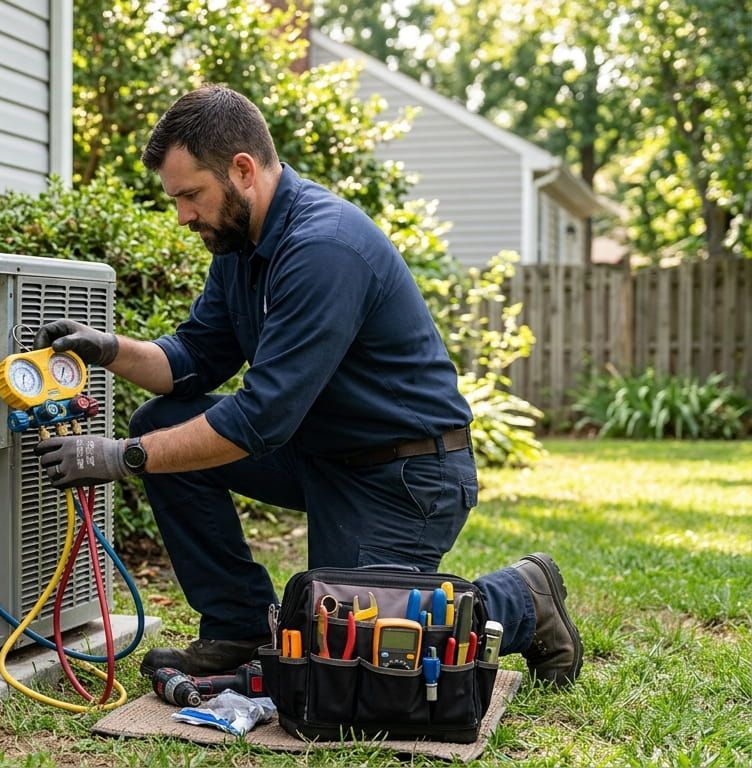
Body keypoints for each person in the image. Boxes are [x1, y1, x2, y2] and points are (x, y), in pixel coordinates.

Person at [32, 85, 582, 688]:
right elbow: (194, 356)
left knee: (345, 654)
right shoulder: (240, 247)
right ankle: (237, 628)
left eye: (191, 195)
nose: (184, 215)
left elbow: (260, 419)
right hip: (323, 457)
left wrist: (122, 457)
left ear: (242, 170)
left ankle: (525, 598)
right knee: (161, 422)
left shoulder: (323, 247)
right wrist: (110, 350)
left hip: (406, 476)